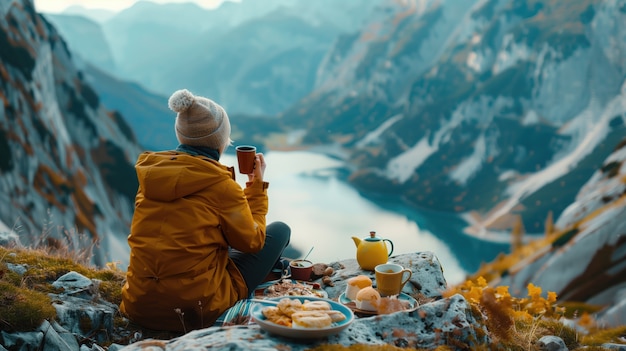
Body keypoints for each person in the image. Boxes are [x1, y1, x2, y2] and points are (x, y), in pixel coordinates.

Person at [120, 89, 291, 332]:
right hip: (196, 309)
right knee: (280, 231)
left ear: (181, 135)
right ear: (221, 141)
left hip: (139, 304)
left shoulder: (150, 177)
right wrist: (256, 187)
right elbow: (252, 242)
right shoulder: (221, 186)